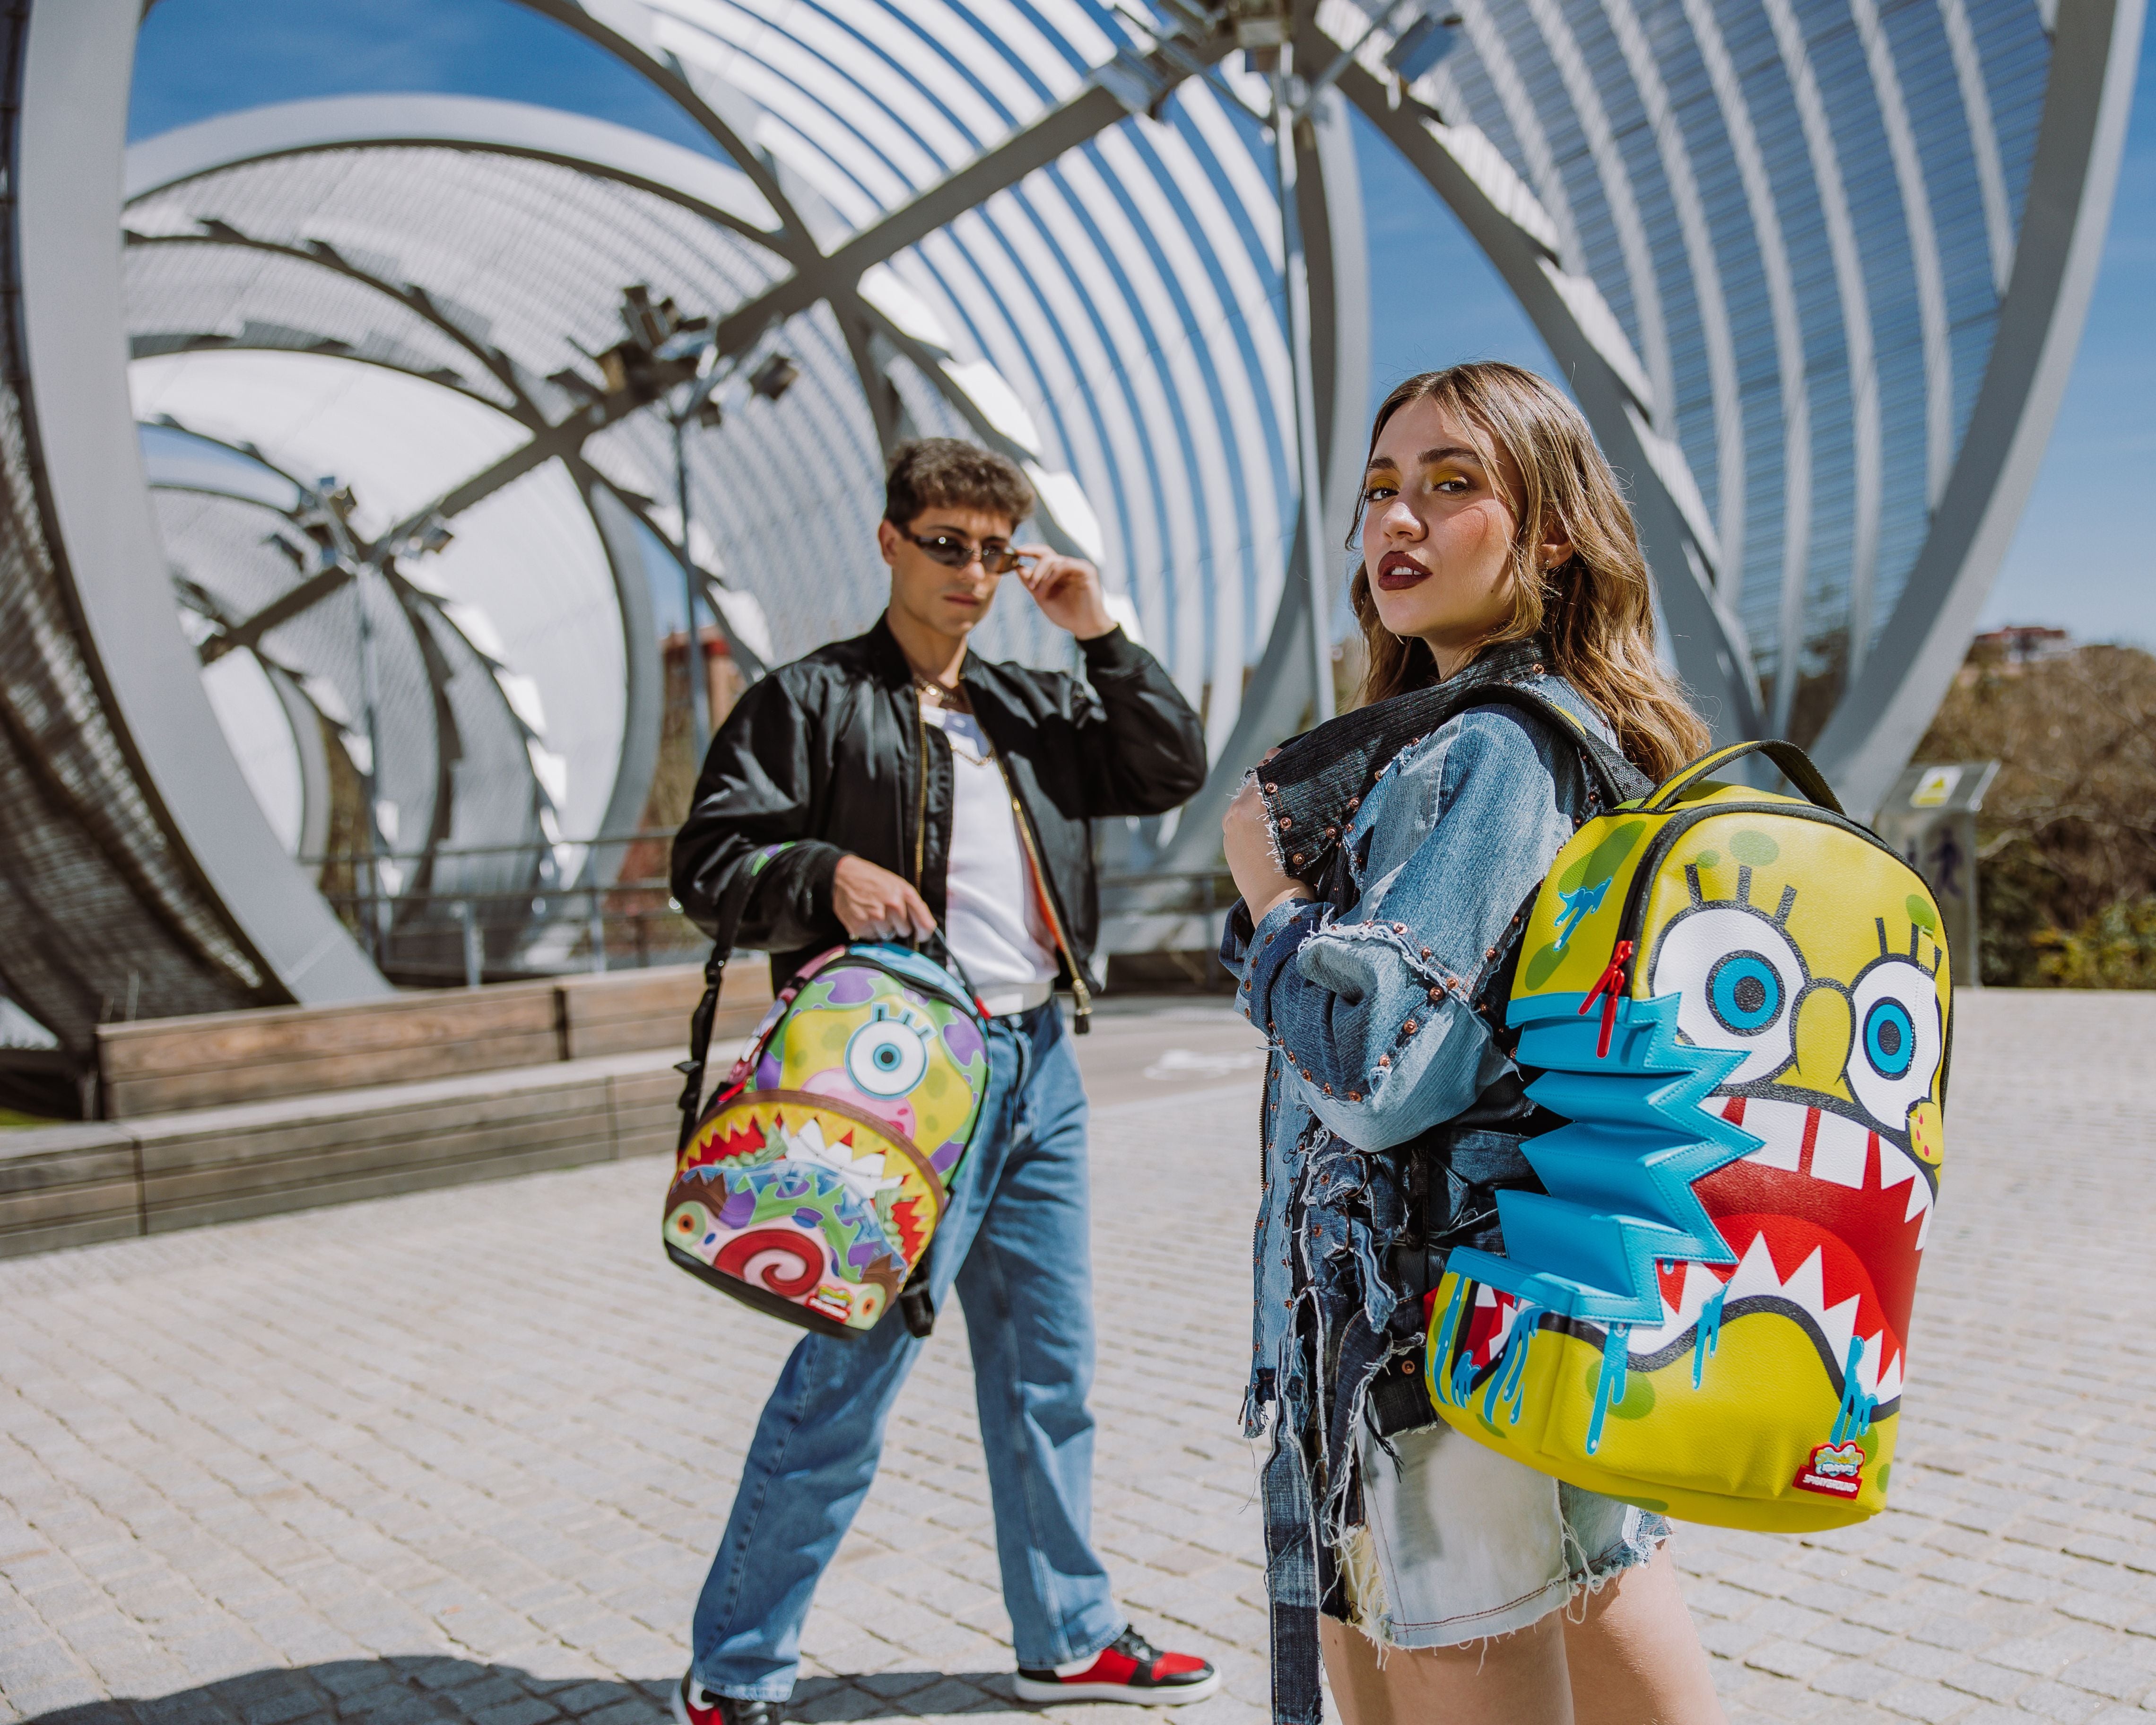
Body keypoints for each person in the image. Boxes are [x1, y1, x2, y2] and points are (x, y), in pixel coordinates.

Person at [668, 439, 1220, 1723]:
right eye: (948, 546)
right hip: (900, 1085)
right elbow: (708, 862)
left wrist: (1102, 632)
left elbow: (1166, 770)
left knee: (1050, 1375)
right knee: (844, 1381)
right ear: (891, 543)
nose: (972, 575)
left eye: (993, 550)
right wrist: (825, 876)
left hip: (1041, 1074)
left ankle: (1068, 1639)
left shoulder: (1026, 705)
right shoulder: (808, 703)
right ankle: (737, 1668)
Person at [1217, 364, 1730, 1725]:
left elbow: (1382, 1069)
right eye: (1382, 489)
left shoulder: (1492, 750)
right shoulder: (1529, 733)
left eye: (1454, 486)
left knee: (1453, 1662)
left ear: (1551, 529)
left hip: (1427, 1334)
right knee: (1605, 1591)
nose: (1401, 520)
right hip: (1510, 1299)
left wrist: (1270, 902)